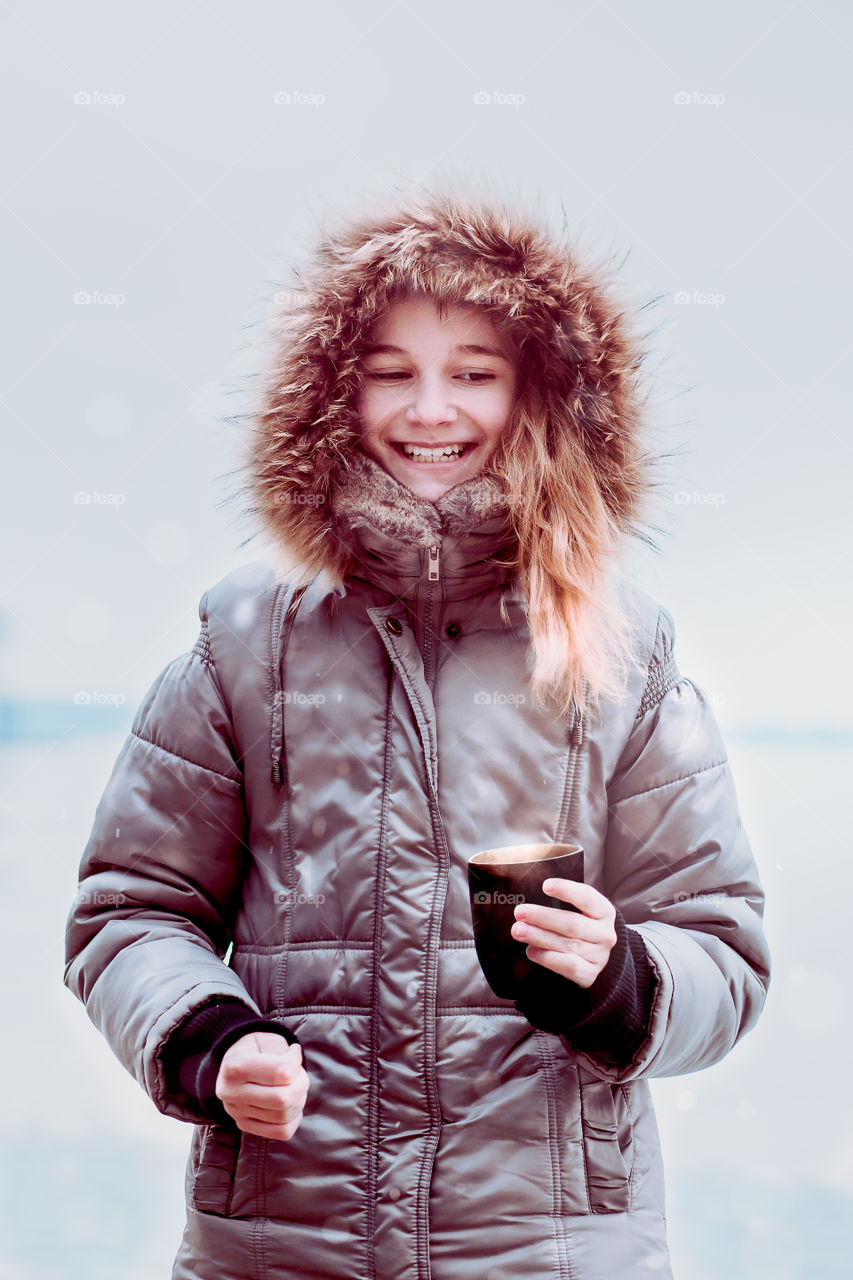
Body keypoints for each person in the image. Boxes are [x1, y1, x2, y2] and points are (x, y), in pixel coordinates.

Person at [63, 187, 771, 1280]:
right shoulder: (245, 641)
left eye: (474, 374)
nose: (429, 409)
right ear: (332, 396)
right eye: (391, 372)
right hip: (282, 1238)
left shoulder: (622, 651)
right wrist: (208, 1038)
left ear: (539, 395)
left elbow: (720, 945)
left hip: (552, 1247)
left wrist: (621, 975)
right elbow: (131, 907)